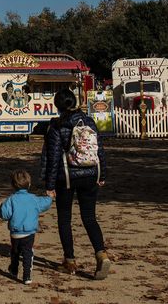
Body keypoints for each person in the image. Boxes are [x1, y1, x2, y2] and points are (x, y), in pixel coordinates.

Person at [40, 88, 111, 280]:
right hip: (91, 173)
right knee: (89, 217)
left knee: (65, 219)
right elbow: (99, 150)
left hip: (66, 178)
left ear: (57, 105)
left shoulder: (57, 125)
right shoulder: (89, 121)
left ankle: (69, 261)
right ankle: (101, 254)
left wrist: (49, 185)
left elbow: (53, 157)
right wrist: (102, 174)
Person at [0, 169, 53, 285]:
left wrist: (2, 207)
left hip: (15, 232)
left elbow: (4, 214)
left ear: (13, 185)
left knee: (15, 251)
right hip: (29, 232)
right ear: (29, 184)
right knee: (28, 253)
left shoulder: (11, 199)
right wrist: (49, 197)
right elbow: (45, 204)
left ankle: (14, 269)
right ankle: (26, 275)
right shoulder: (33, 199)